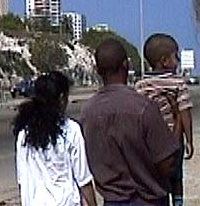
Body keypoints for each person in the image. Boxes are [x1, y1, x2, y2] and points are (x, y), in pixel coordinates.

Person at [81, 38, 181, 206]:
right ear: (126, 65)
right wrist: (178, 123)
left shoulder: (87, 112)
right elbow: (166, 163)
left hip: (112, 200)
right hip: (148, 200)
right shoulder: (144, 108)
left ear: (98, 70)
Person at [13, 71, 97, 206]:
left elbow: (22, 180)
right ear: (62, 98)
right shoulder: (70, 130)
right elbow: (84, 181)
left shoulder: (24, 134)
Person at [135, 33, 194, 206]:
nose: (178, 62)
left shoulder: (142, 85)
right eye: (175, 57)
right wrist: (189, 140)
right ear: (164, 61)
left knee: (155, 177)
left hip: (151, 142)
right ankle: (178, 202)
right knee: (176, 178)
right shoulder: (178, 83)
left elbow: (138, 112)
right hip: (173, 141)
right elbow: (184, 112)